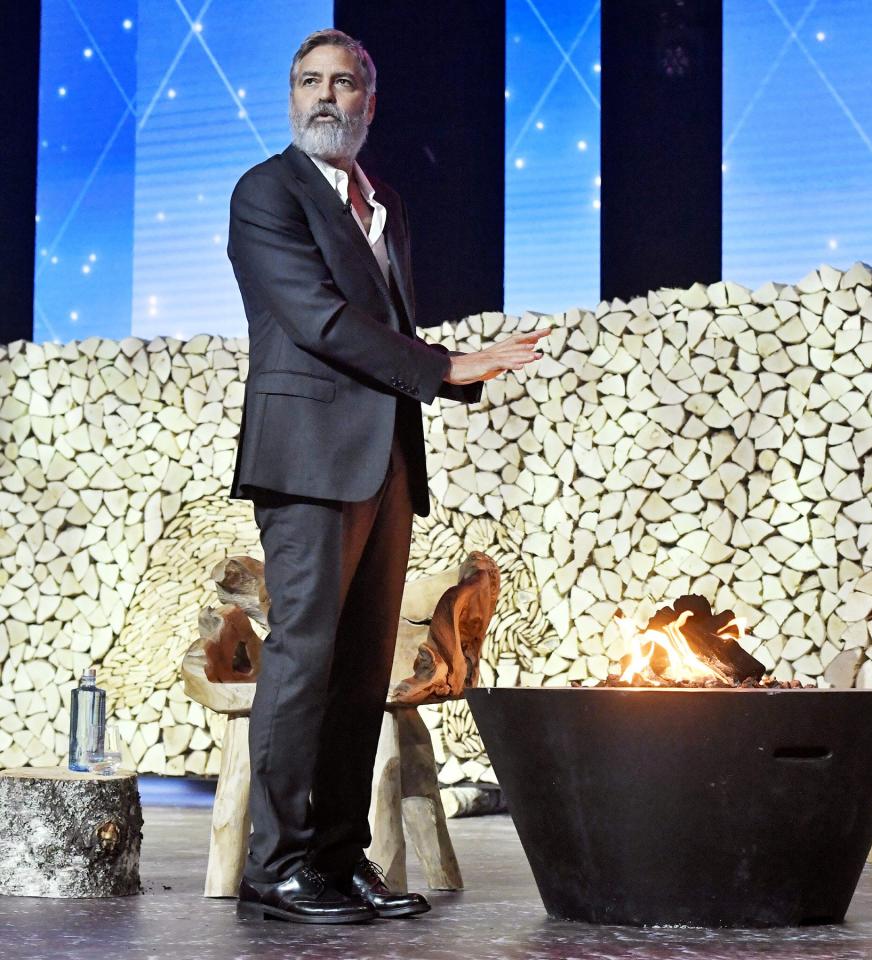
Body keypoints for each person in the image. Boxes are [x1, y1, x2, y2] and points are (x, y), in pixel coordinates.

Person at [226, 28, 550, 924]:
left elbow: (379, 315)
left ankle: (336, 858)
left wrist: (440, 376)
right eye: (309, 82)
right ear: (291, 98)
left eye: (344, 83)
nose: (325, 96)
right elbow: (319, 320)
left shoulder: (383, 203)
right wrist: (444, 363)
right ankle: (278, 866)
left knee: (363, 667)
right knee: (304, 661)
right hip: (308, 459)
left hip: (385, 460)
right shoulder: (265, 193)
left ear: (371, 100)